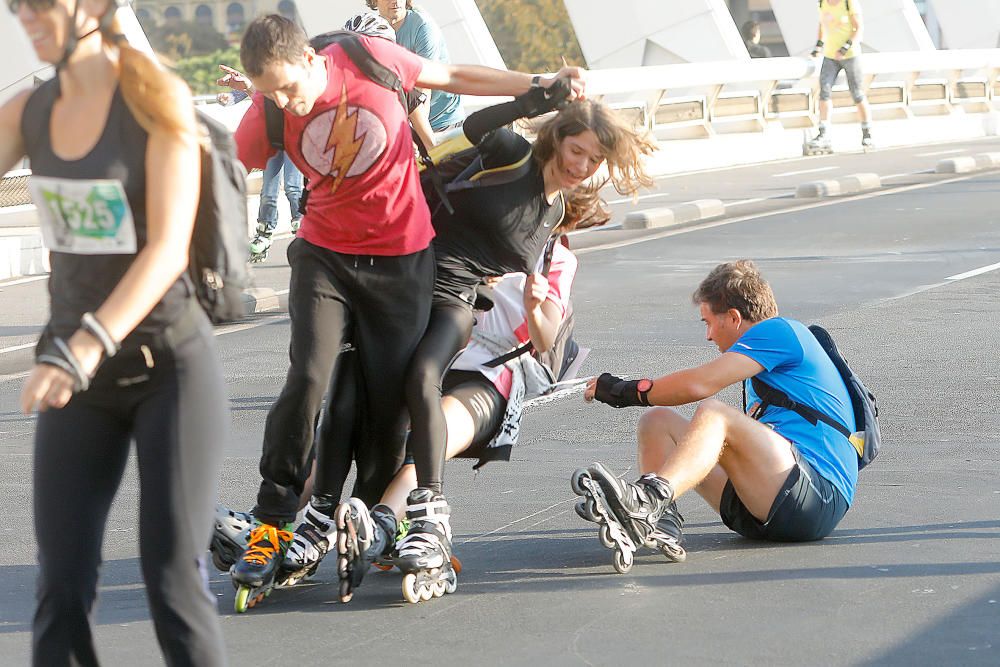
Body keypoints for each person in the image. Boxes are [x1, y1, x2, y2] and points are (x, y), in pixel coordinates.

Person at [227, 14, 585, 603]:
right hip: (325, 255)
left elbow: (453, 75)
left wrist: (538, 81)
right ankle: (274, 519)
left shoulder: (368, 57)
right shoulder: (268, 109)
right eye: (270, 93)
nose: (285, 104)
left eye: (289, 88)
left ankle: (371, 518)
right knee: (311, 376)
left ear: (314, 61)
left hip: (401, 259)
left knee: (387, 398)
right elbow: (221, 163)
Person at [316, 98, 657, 604]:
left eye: (590, 163)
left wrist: (534, 300)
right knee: (342, 408)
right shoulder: (483, 212)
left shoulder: (553, 255)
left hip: (489, 375)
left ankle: (386, 524)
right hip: (432, 339)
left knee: (433, 429)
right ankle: (290, 523)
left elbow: (544, 341)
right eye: (574, 155)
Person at [2, 0, 227, 664]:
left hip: (169, 366)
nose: (27, 20)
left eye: (41, 5)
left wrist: (81, 347)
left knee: (171, 578)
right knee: (61, 585)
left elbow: (167, 252)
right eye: (17, 7)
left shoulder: (158, 100)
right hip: (82, 383)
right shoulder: (30, 111)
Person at [574, 260, 856, 572]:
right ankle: (659, 522)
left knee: (714, 412)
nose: (708, 335)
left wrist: (622, 391)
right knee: (657, 421)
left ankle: (649, 501)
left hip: (816, 499)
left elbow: (700, 384)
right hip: (767, 503)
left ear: (734, 318)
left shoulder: (780, 332)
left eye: (708, 322)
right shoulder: (767, 360)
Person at [217, 64, 303, 262]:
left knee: (292, 188)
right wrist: (229, 97)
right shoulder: (264, 71)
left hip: (293, 138)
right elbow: (256, 94)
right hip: (273, 139)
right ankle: (265, 231)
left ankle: (301, 225)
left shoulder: (297, 72)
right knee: (269, 192)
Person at [368, 0, 464, 137]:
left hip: (443, 121)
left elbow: (424, 89)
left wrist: (415, 136)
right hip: (409, 124)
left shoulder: (423, 26)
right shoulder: (372, 33)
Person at [806, 0, 872, 152]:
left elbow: (858, 28)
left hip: (850, 55)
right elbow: (822, 24)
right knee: (824, 92)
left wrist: (845, 48)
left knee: (857, 93)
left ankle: (867, 132)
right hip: (830, 55)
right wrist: (818, 46)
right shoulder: (823, 2)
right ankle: (823, 133)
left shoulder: (849, 2)